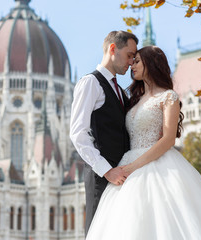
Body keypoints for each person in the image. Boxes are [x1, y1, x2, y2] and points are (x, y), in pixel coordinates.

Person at [86, 46, 201, 240]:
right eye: (132, 60)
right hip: (127, 165)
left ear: (151, 64)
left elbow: (168, 139)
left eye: (137, 61)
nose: (132, 65)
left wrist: (133, 166)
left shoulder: (168, 97)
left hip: (157, 164)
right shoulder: (133, 99)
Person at [69, 30, 138, 235]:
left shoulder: (118, 88)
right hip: (102, 176)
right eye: (129, 55)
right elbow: (78, 133)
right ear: (113, 49)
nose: (131, 61)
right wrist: (106, 170)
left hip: (121, 175)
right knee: (98, 232)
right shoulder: (91, 82)